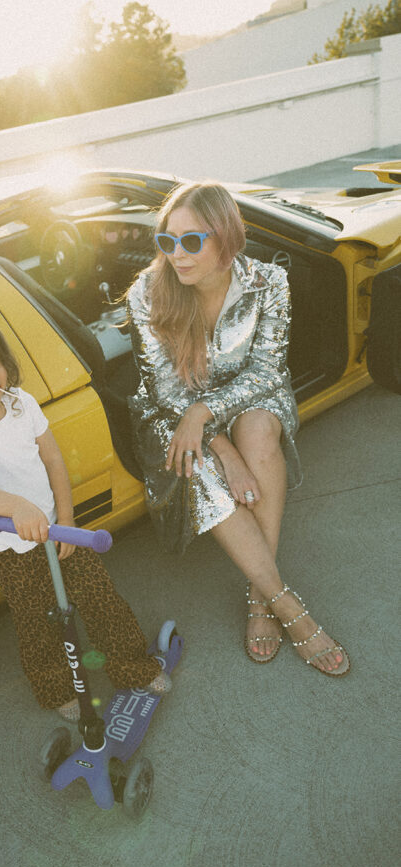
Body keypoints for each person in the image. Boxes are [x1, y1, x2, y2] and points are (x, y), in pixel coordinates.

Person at [126, 181, 349, 676]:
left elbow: (267, 370)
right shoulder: (147, 290)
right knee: (197, 460)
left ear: (225, 238)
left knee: (259, 433)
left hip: (250, 392)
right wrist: (220, 448)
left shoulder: (268, 281)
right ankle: (283, 603)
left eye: (191, 241)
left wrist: (209, 414)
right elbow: (163, 387)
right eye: (167, 241)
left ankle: (257, 592)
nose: (176, 256)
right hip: (172, 408)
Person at [0, 309, 169, 720]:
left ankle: (133, 668)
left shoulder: (22, 404)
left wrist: (66, 520)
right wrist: (15, 507)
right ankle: (57, 690)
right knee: (39, 622)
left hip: (58, 530)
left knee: (101, 599)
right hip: (8, 546)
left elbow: (53, 461)